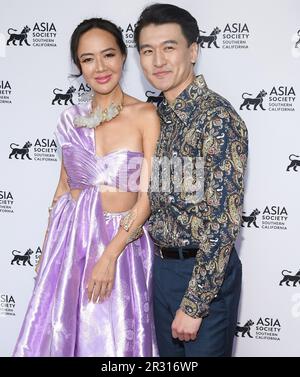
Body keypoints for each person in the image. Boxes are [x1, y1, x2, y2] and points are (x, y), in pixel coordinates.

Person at [13, 18, 160, 357]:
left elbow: (147, 199)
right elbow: (63, 188)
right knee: (66, 334)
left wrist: (110, 255)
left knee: (114, 339)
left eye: (108, 55)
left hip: (122, 245)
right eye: (88, 59)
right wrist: (47, 250)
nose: (100, 67)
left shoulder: (145, 115)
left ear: (124, 57)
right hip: (70, 244)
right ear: (79, 66)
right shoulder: (69, 119)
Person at [134, 3, 248, 357]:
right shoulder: (156, 117)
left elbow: (223, 220)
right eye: (147, 51)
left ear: (193, 51)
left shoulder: (216, 119)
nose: (158, 61)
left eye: (169, 47)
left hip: (203, 276)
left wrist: (195, 303)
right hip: (163, 270)